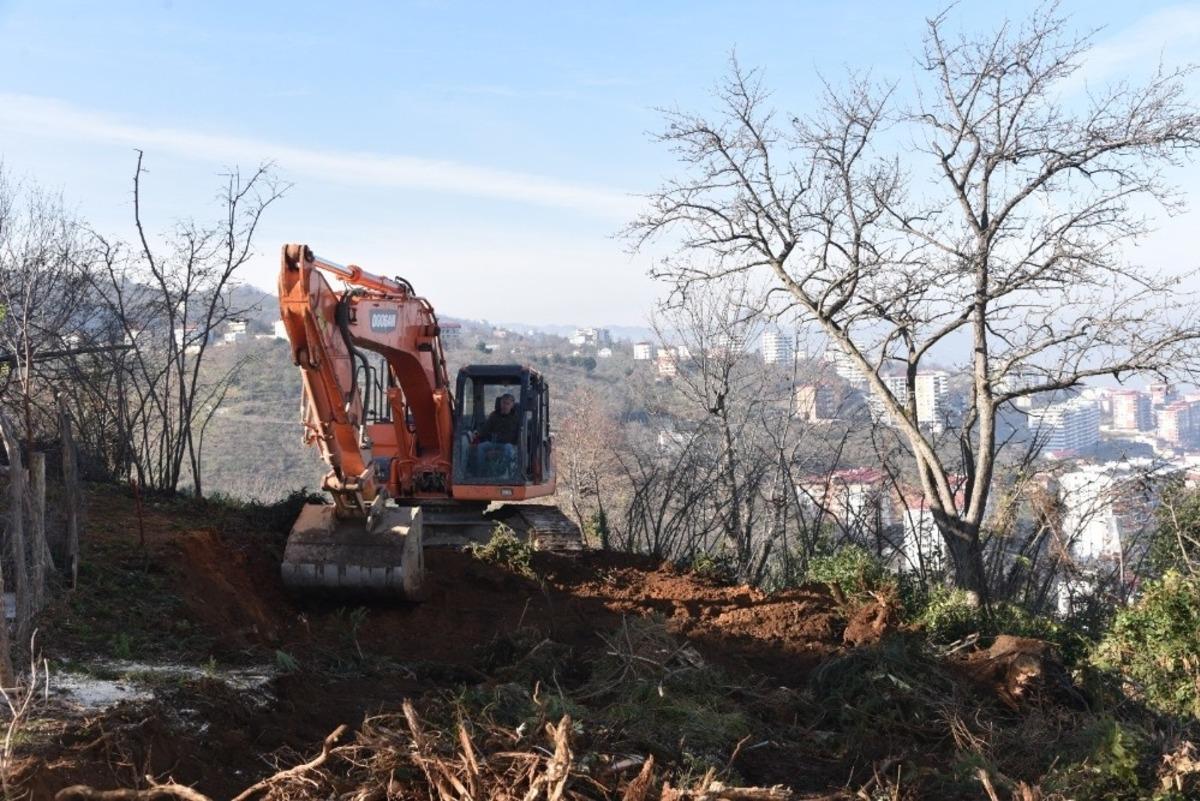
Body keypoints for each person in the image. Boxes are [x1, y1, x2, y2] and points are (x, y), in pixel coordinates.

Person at [472, 393, 520, 476]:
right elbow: (485, 429)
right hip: (494, 443)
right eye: (503, 403)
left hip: (508, 444)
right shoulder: (494, 415)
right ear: (500, 403)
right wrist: (477, 433)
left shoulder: (516, 418)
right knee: (481, 447)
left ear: (512, 405)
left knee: (508, 448)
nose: (505, 406)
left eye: (507, 404)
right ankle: (479, 474)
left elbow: (518, 435)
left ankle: (504, 474)